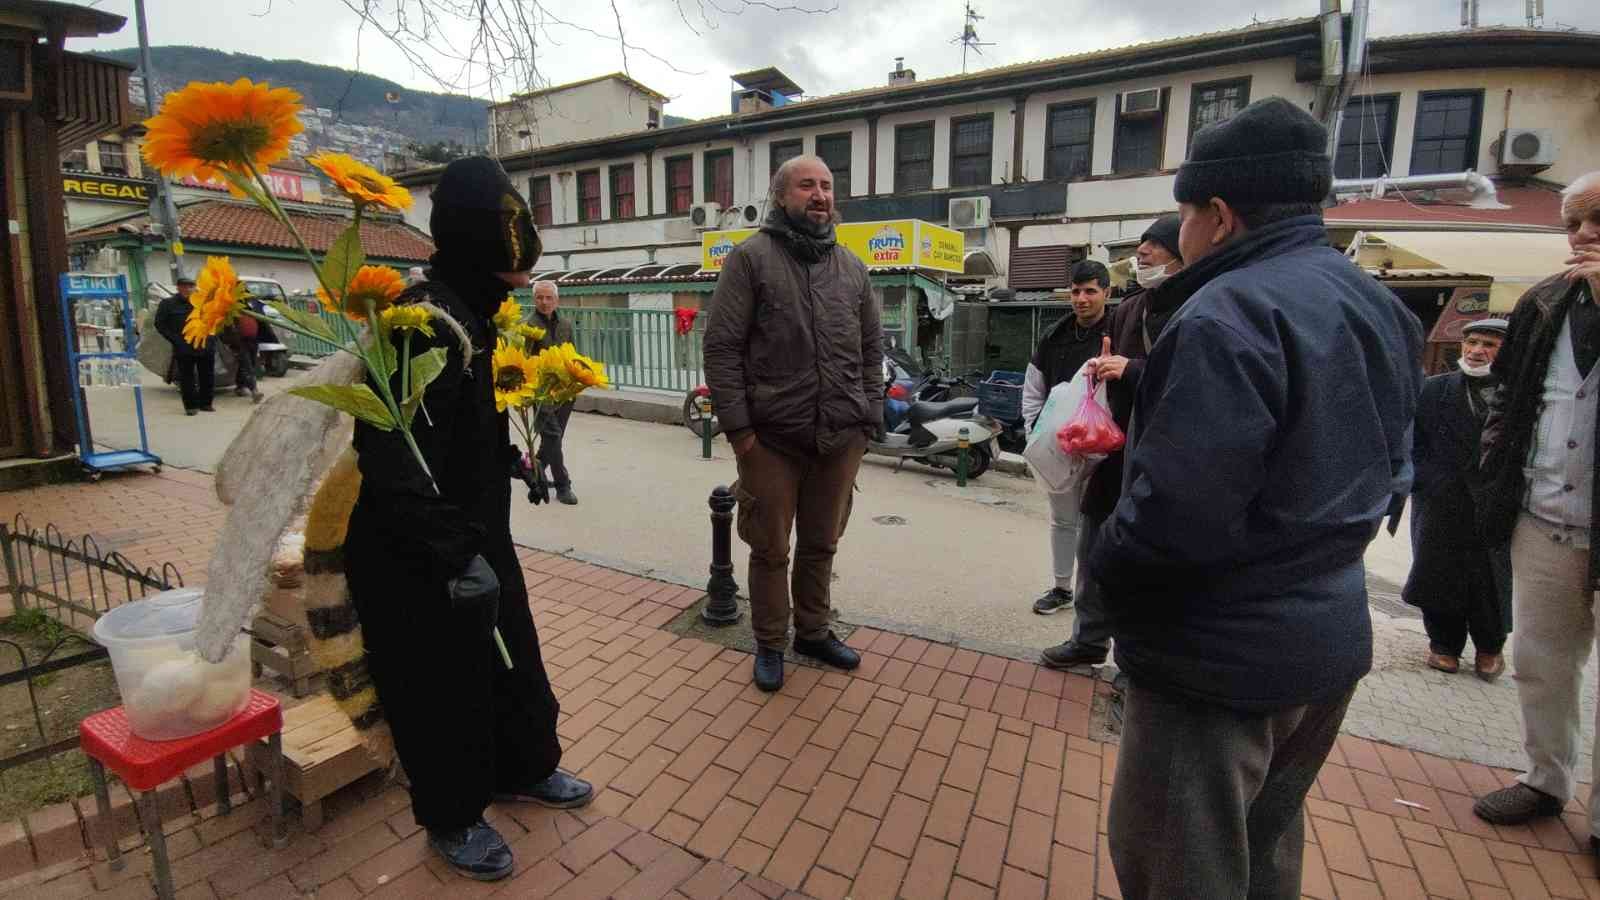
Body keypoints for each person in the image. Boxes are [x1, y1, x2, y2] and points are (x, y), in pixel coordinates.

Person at [1088, 97, 1423, 899]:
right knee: (1265, 845)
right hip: (1327, 640)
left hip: (1217, 661)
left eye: (1184, 213)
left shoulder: (1226, 313)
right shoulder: (1377, 302)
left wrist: (1109, 581)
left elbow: (1177, 518)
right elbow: (1392, 467)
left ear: (1220, 214)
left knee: (1182, 866)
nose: (1179, 235)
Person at [343, 156, 591, 882]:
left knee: (514, 657)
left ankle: (523, 766)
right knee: (440, 687)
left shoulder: (473, 316)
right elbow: (391, 459)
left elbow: (455, 433)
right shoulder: (421, 324)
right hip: (415, 551)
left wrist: (507, 464)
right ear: (485, 250)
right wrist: (454, 555)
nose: (523, 286)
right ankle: (451, 815)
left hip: (473, 531)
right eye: (516, 273)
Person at [703, 155, 882, 692]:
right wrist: (742, 435)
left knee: (822, 543)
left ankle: (813, 631)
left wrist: (867, 417)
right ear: (782, 196)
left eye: (827, 185)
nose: (820, 195)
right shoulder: (750, 260)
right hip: (771, 441)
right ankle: (770, 641)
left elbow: (872, 348)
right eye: (807, 186)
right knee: (770, 548)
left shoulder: (852, 268)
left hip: (840, 436)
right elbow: (722, 348)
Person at [1471, 171, 1600, 842]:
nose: (1581, 234)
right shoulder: (1544, 301)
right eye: (1573, 222)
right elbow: (1506, 398)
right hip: (1543, 521)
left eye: (1597, 220)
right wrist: (1496, 479)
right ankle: (1546, 780)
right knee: (1543, 661)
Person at [1038, 221, 1184, 669]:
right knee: (1095, 551)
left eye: (1156, 244)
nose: (1142, 250)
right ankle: (1088, 640)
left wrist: (1135, 370)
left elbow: (1194, 381)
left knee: (1146, 568)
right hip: (1114, 456)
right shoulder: (1131, 309)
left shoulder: (1202, 306)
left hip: (1167, 461)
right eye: (1143, 243)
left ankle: (1137, 666)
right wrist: (1097, 373)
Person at [1404, 318, 1512, 679]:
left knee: (1489, 578)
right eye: (1473, 342)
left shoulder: (1517, 395)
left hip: (1492, 504)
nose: (1477, 351)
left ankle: (1489, 647)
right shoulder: (1434, 390)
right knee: (1437, 571)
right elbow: (1412, 443)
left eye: (1489, 345)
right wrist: (1426, 480)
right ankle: (1443, 645)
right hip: (1440, 499)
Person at [1021, 261, 1113, 620]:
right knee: (1063, 520)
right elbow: (1033, 390)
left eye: (1090, 290)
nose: (1081, 298)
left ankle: (1098, 594)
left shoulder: (1120, 331)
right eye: (1075, 291)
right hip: (1059, 447)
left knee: (1102, 522)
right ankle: (1062, 587)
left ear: (1107, 291)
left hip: (1107, 448)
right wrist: (1036, 435)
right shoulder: (1054, 335)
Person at [526, 280, 579, 505]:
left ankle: (533, 470)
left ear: (556, 300)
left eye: (549, 298)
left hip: (565, 392)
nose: (544, 302)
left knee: (552, 439)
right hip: (541, 393)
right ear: (534, 299)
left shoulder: (566, 324)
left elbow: (573, 356)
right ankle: (562, 484)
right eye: (540, 297)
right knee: (553, 437)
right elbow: (525, 363)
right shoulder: (528, 326)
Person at [154, 276, 215, 416]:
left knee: (207, 375)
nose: (187, 289)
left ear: (194, 288)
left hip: (205, 345)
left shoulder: (203, 302)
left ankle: (206, 403)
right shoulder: (168, 304)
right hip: (184, 346)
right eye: (184, 286)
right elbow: (160, 324)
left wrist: (212, 338)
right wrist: (176, 340)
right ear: (178, 287)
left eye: (190, 286)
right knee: (187, 378)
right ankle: (191, 407)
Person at [221, 291, 272, 404]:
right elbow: (226, 326)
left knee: (250, 363)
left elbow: (262, 318)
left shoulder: (252, 303)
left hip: (253, 340)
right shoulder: (229, 304)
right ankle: (255, 391)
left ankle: (240, 386)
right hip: (238, 341)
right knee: (247, 365)